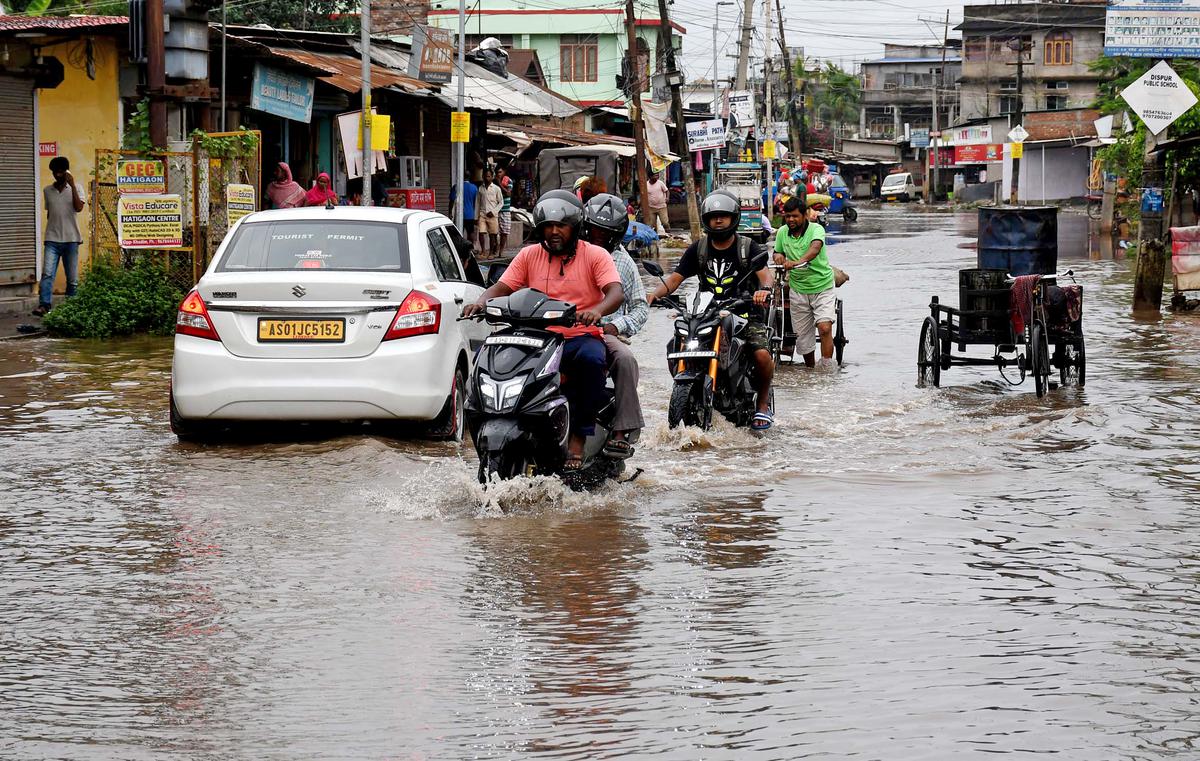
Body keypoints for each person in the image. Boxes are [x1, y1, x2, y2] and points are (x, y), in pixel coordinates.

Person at [462, 192, 625, 469]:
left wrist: (597, 311)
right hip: (534, 339)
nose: (554, 232)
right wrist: (481, 301)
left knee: (592, 360)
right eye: (548, 226)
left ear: (575, 227)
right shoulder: (528, 255)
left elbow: (615, 292)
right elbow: (502, 287)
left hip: (577, 337)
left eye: (561, 225)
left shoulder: (595, 255)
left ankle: (578, 435)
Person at [648, 189, 776, 430]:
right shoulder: (698, 249)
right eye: (713, 216)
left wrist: (764, 291)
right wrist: (653, 294)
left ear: (733, 218)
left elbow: (765, 276)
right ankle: (690, 391)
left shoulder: (749, 248)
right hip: (707, 313)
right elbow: (676, 279)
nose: (718, 220)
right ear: (706, 220)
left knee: (761, 354)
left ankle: (762, 403)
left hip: (744, 313)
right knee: (677, 344)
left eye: (723, 216)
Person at [581, 192, 646, 457]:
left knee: (626, 359)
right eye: (593, 230)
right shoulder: (570, 253)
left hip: (601, 332)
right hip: (562, 330)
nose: (597, 237)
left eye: (604, 233)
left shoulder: (624, 263)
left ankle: (622, 430)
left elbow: (640, 308)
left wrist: (615, 326)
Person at [774, 196, 835, 368]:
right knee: (803, 337)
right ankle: (810, 370)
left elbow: (815, 249)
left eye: (795, 216)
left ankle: (826, 368)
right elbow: (777, 252)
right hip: (798, 289)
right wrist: (778, 256)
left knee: (824, 328)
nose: (791, 220)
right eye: (788, 216)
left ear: (804, 215)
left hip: (822, 286)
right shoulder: (781, 233)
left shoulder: (816, 229)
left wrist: (796, 262)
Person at [34, 156, 86, 317]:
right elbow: (50, 213)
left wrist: (72, 185)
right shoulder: (47, 191)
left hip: (71, 240)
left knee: (72, 278)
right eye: (55, 172)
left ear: (66, 172)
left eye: (61, 172)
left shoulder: (77, 187)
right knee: (47, 273)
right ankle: (44, 305)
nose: (57, 175)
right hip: (52, 239)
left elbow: (78, 208)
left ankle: (71, 308)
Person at [476, 169, 504, 256]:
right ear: (483, 177)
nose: (486, 178)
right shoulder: (480, 188)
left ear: (492, 177)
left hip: (492, 215)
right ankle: (483, 251)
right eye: (485, 176)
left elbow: (501, 202)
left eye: (488, 176)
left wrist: (494, 211)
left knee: (492, 235)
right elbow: (477, 203)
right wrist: (476, 217)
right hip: (482, 214)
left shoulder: (496, 189)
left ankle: (491, 253)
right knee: (481, 232)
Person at [449, 176, 479, 244]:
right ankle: (471, 248)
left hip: (458, 214)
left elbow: (452, 201)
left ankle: (459, 249)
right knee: (470, 233)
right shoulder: (474, 187)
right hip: (470, 215)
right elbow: (476, 202)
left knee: (458, 233)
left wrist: (450, 212)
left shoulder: (456, 186)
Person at [497, 167, 513, 254]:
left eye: (500, 172)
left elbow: (508, 193)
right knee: (495, 232)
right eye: (498, 172)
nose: (499, 174)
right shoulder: (494, 182)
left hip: (505, 209)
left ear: (504, 172)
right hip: (496, 210)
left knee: (505, 232)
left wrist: (499, 184)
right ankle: (496, 250)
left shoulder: (508, 181)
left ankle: (501, 251)